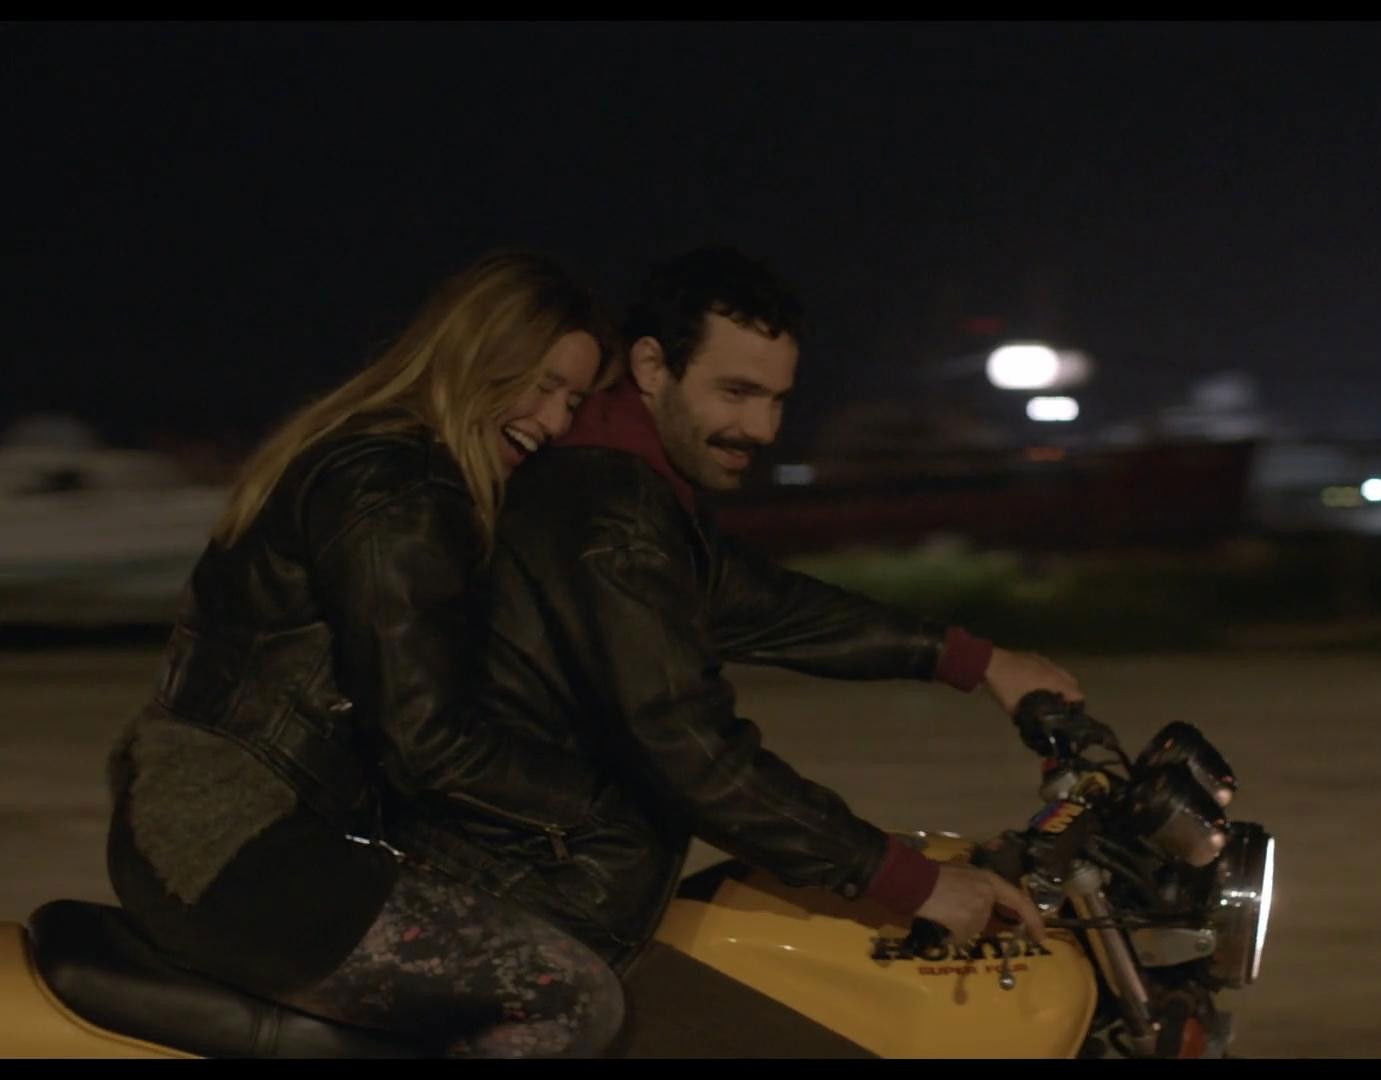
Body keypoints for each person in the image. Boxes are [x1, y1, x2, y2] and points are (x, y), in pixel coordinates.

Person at [388, 247, 1084, 976]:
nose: (762, 428)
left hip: (540, 878)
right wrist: (909, 880)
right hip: (524, 896)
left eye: (776, 400)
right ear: (651, 367)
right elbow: (688, 745)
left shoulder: (632, 488)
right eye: (737, 393)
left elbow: (772, 605)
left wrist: (980, 661)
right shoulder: (610, 513)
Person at [104, 250, 632, 1057]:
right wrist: (597, 804)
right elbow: (428, 739)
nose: (556, 421)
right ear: (479, 355)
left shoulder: (361, 452)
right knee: (568, 995)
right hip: (236, 850)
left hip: (197, 829)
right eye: (544, 384)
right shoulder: (402, 487)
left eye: (573, 399)